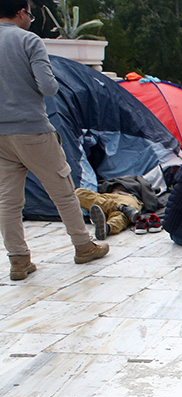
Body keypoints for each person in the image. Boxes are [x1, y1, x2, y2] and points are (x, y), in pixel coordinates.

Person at [0, 0, 108, 280]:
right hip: (33, 129)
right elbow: (48, 87)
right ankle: (83, 246)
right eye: (30, 14)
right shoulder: (28, 40)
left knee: (8, 201)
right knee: (63, 191)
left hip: (1, 135)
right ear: (22, 12)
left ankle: (18, 260)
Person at [76, 188, 141, 240]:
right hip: (106, 197)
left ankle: (107, 227)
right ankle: (121, 208)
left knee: (121, 216)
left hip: (126, 197)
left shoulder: (136, 183)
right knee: (78, 193)